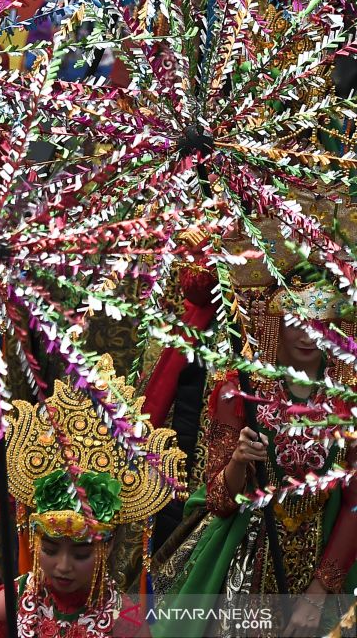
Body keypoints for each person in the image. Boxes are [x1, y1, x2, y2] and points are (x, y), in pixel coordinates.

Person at [154, 273, 357, 637]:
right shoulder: (239, 393)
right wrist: (239, 462)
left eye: (320, 320)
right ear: (273, 320)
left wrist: (319, 591)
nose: (309, 334)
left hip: (325, 551)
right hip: (246, 557)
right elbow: (218, 500)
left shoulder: (348, 403)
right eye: (295, 320)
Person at [0, 356, 186, 638]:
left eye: (81, 553)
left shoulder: (126, 623)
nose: (63, 566)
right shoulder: (10, 606)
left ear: (107, 547)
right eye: (50, 549)